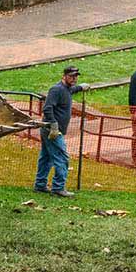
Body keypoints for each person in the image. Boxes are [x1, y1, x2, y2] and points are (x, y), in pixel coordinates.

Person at [36, 65, 79, 196]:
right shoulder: (56, 89)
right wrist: (54, 125)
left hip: (50, 129)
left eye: (76, 76)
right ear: (64, 76)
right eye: (71, 76)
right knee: (62, 157)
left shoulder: (67, 89)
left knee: (46, 157)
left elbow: (73, 89)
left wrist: (82, 87)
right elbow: (47, 108)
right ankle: (58, 188)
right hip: (52, 130)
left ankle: (40, 185)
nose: (74, 79)